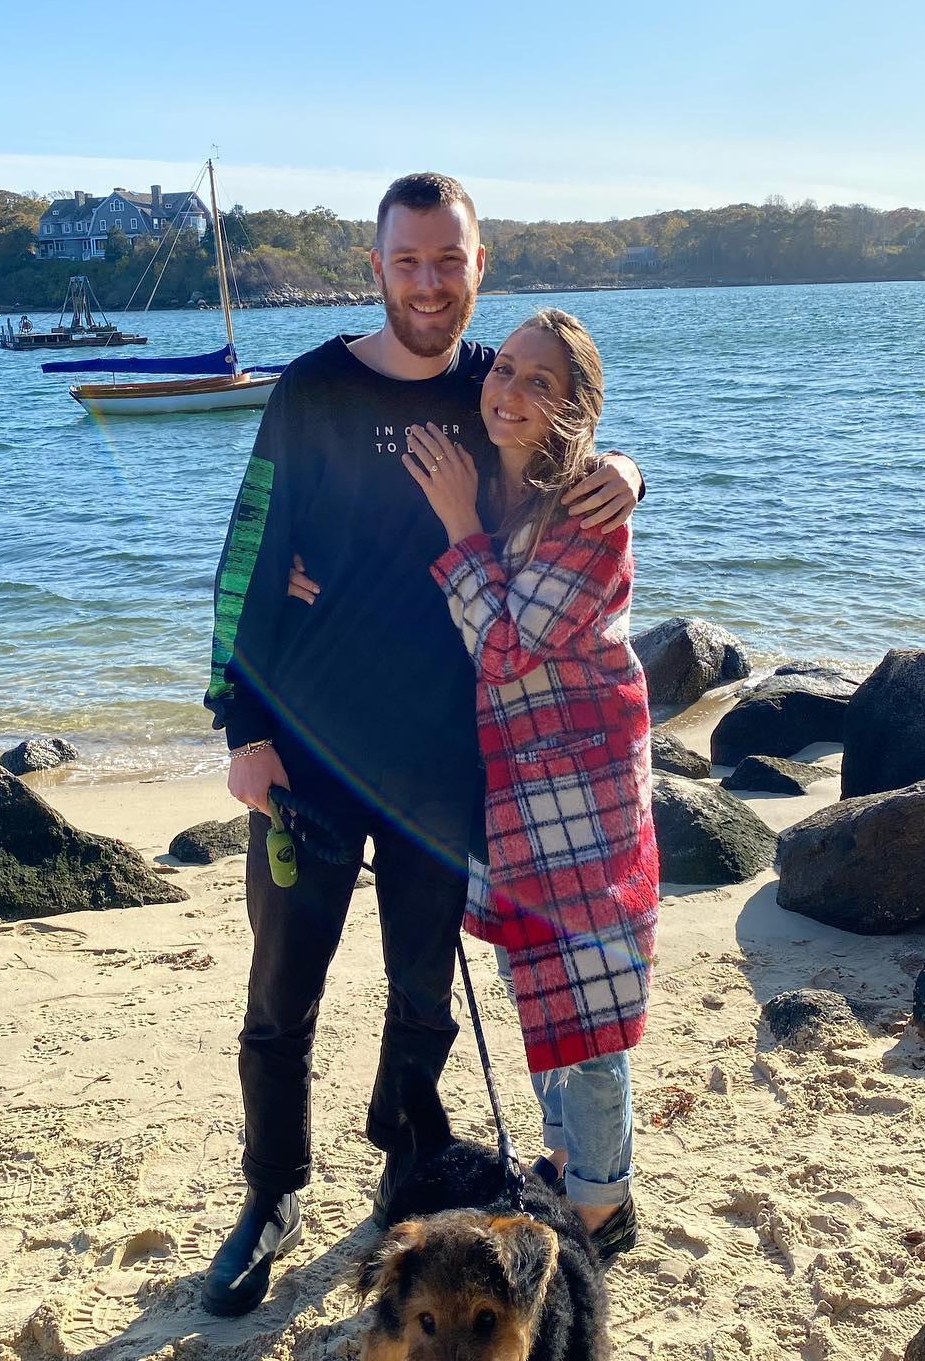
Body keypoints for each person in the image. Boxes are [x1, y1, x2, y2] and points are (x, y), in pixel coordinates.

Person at [199, 174, 645, 1317]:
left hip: (444, 763)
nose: (430, 283)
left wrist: (631, 472)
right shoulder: (314, 387)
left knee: (424, 998)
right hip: (306, 752)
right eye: (409, 261)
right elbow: (250, 553)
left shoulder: (493, 385)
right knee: (281, 997)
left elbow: (574, 441)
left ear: (478, 265)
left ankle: (403, 1156)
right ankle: (271, 1194)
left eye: (450, 261)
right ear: (378, 265)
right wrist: (242, 727)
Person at [383, 309, 658, 1264]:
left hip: (581, 788)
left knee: (588, 1012)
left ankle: (602, 1203)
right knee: (536, 986)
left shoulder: (584, 513)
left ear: (575, 408)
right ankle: (568, 1158)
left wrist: (463, 521)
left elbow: (504, 650)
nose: (511, 391)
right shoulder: (481, 468)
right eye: (505, 369)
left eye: (543, 383)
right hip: (504, 788)